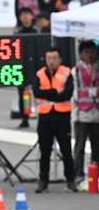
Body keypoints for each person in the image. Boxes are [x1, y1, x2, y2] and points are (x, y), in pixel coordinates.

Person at [33, 46, 78, 192]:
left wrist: (48, 94)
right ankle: (43, 181)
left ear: (60, 59)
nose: (51, 61)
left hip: (62, 117)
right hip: (45, 118)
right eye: (48, 58)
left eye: (54, 58)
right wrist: (54, 92)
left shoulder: (67, 73)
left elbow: (67, 94)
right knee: (44, 151)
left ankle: (70, 181)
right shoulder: (40, 74)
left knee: (66, 151)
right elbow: (36, 92)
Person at [73, 40, 99, 179]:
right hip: (82, 113)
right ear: (81, 54)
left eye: (92, 52)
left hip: (97, 113)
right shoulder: (76, 71)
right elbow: (74, 94)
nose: (90, 55)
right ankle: (78, 173)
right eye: (86, 52)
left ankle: (96, 172)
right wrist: (75, 115)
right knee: (80, 146)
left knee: (97, 146)